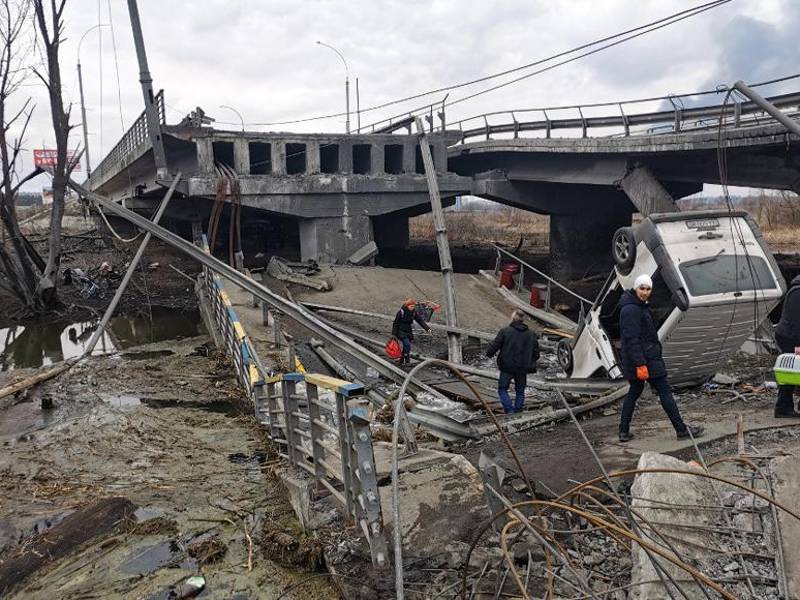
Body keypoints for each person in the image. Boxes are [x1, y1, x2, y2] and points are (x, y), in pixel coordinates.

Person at [618, 274, 704, 442]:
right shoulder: (631, 309)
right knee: (664, 391)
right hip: (645, 359)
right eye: (642, 288)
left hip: (643, 358)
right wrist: (641, 364)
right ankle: (681, 430)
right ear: (635, 288)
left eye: (648, 289)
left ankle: (623, 431)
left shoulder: (638, 306)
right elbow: (631, 339)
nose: (645, 292)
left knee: (634, 391)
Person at [486, 309, 540, 414]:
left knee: (502, 389)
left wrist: (489, 354)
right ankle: (518, 411)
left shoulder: (505, 331)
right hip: (523, 367)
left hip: (507, 366)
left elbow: (495, 345)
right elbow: (536, 353)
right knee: (520, 391)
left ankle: (509, 410)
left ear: (512, 318)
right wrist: (529, 361)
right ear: (523, 320)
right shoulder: (531, 334)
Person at [775, 275, 800, 418]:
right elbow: (797, 322)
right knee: (791, 371)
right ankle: (783, 407)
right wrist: (797, 345)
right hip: (790, 337)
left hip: (792, 335)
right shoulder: (797, 293)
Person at [391, 298, 431, 365]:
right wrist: (394, 334)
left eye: (413, 306)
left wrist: (427, 329)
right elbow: (395, 323)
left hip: (408, 331)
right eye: (411, 306)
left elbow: (420, 320)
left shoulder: (414, 312)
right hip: (400, 331)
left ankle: (400, 361)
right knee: (407, 345)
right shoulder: (401, 312)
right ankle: (407, 361)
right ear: (407, 306)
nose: (413, 308)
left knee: (405, 347)